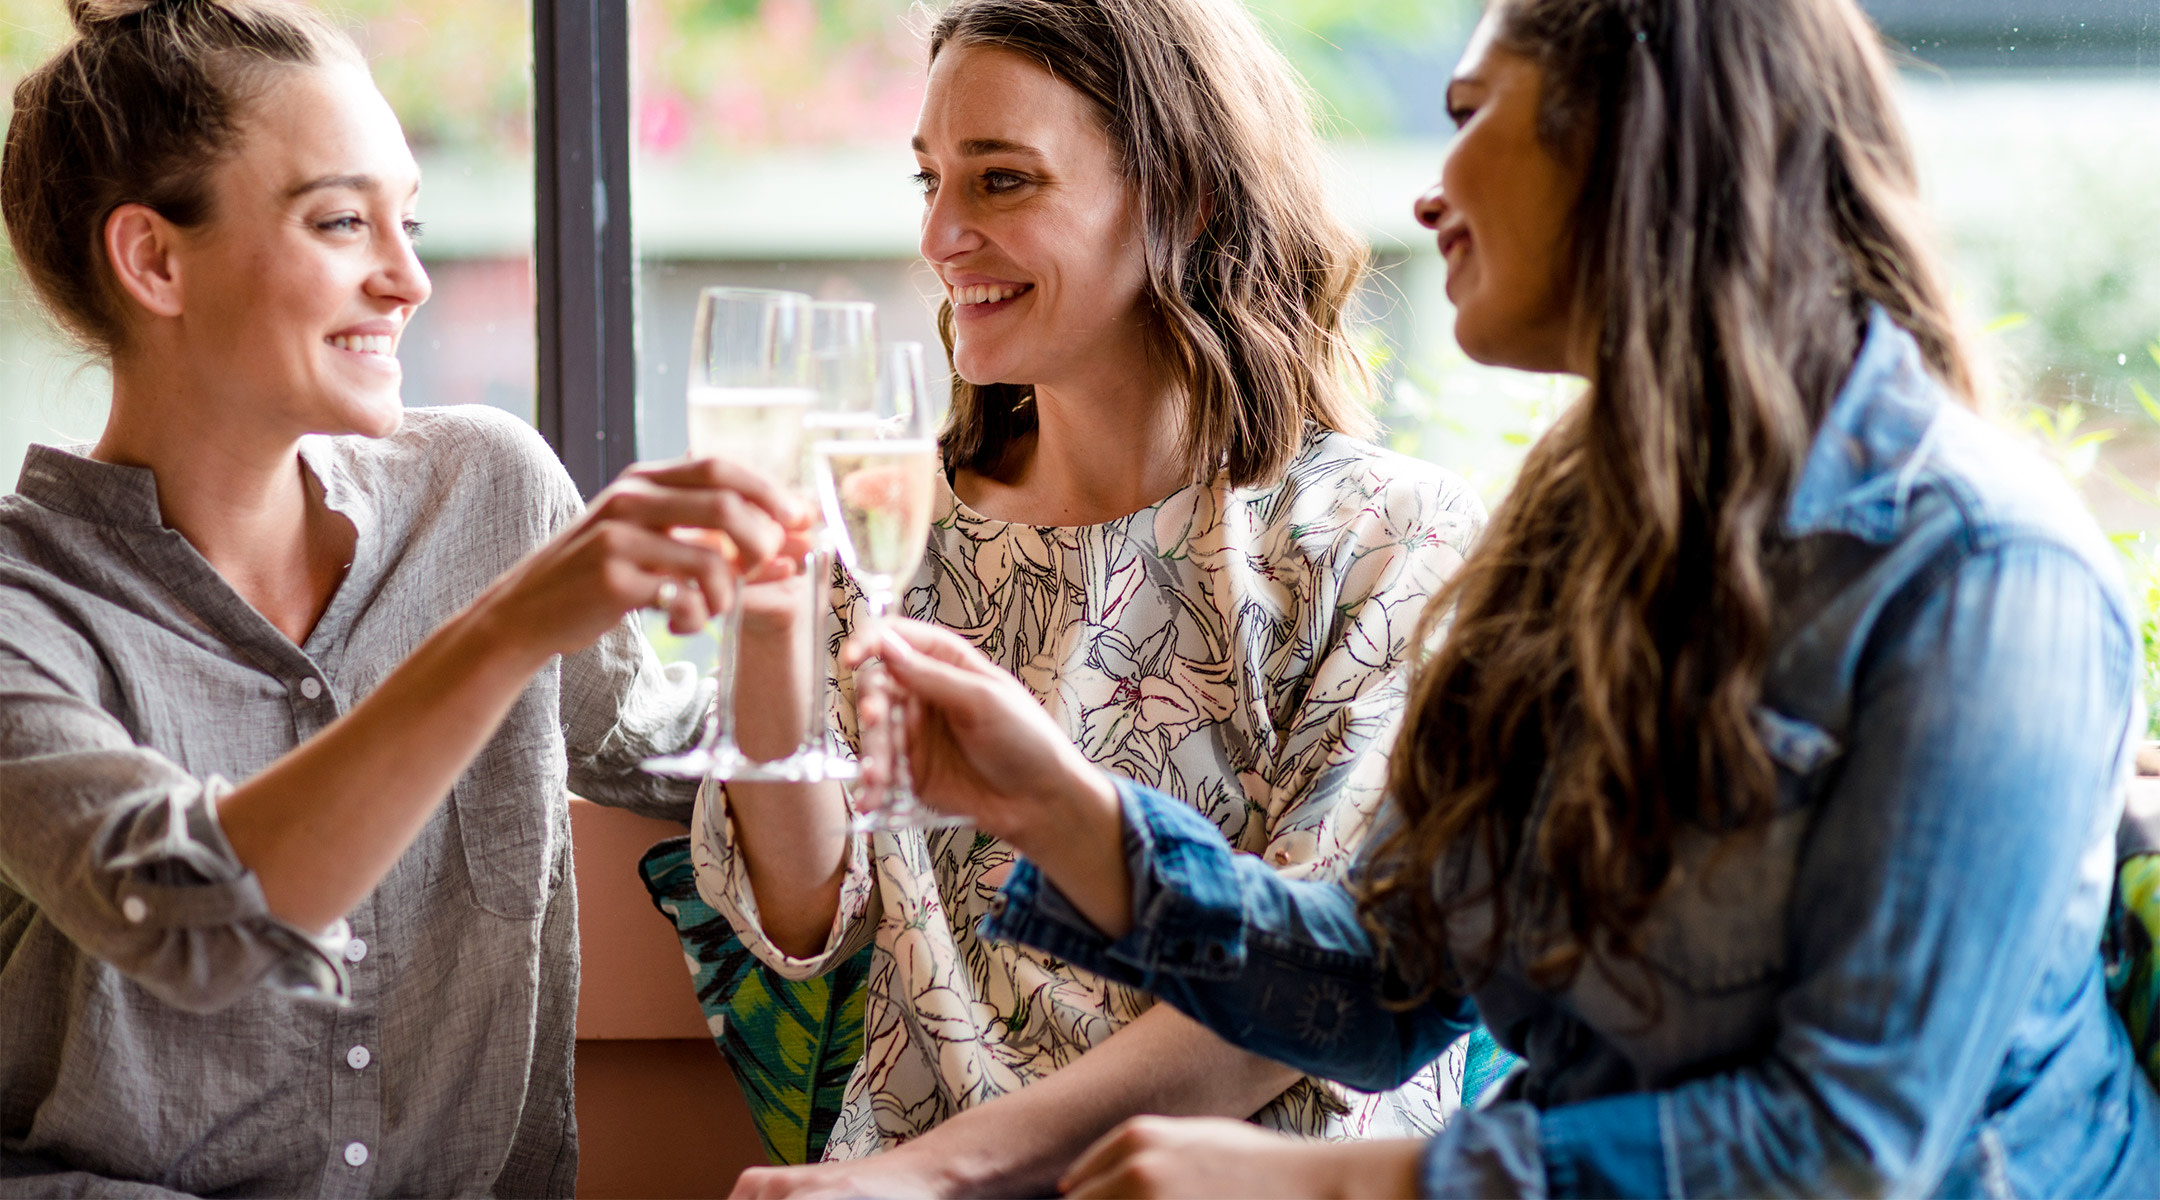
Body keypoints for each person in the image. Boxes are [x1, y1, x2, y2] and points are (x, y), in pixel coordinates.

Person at [853, 0, 2160, 1194]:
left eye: (1474, 117)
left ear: (1636, 147)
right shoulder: (1571, 534)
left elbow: (1846, 1151)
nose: (1430, 196)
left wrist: (1344, 1185)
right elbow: (1380, 986)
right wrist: (1056, 806)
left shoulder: (1986, 576)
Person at [0, 2, 807, 1194]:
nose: (410, 278)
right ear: (154, 259)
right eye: (340, 221)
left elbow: (703, 781)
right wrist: (509, 627)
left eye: (409, 221)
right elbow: (194, 918)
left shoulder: (485, 492)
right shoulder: (27, 605)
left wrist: (806, 621)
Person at [697, 0, 1486, 1193]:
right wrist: (771, 615)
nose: (942, 237)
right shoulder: (882, 531)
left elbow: (1314, 990)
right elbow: (805, 924)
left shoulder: (1384, 540)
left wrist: (936, 1174)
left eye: (1003, 180)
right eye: (929, 182)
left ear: (1187, 197)